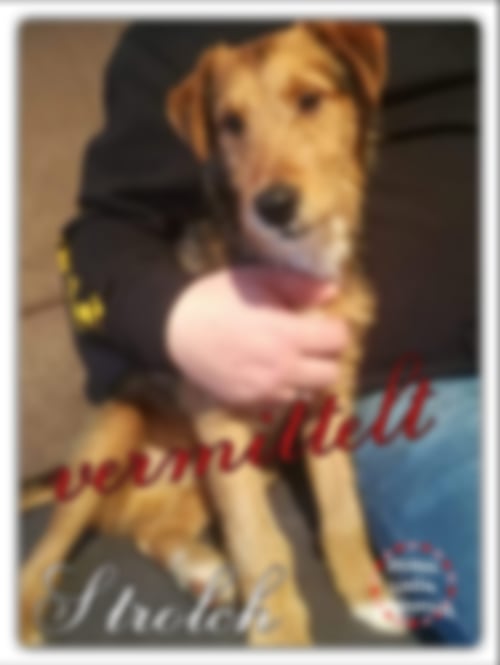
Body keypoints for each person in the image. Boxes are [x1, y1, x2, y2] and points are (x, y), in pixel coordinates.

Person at [60, 21, 478, 644]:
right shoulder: (167, 41)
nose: (269, 164)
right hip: (423, 393)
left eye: (306, 101)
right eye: (233, 126)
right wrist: (174, 319)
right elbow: (95, 239)